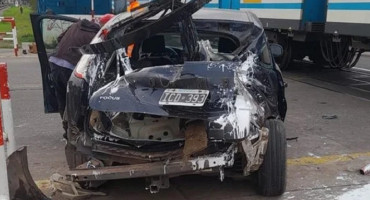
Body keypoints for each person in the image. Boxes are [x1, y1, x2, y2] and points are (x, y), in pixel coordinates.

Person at [49, 14, 114, 138]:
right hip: (70, 68)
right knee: (77, 101)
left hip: (55, 62)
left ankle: (67, 131)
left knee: (63, 99)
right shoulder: (96, 35)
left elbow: (59, 38)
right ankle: (76, 131)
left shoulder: (77, 25)